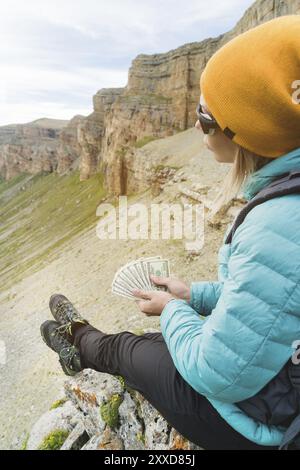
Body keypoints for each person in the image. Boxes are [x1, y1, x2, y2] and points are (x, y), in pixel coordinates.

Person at [40, 15, 300, 450]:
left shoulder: (279, 222)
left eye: (205, 113)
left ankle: (79, 343)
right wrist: (191, 297)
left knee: (134, 349)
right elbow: (276, 299)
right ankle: (82, 341)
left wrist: (168, 309)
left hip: (266, 429)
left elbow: (215, 371)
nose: (196, 125)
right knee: (157, 344)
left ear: (248, 127)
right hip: (282, 388)